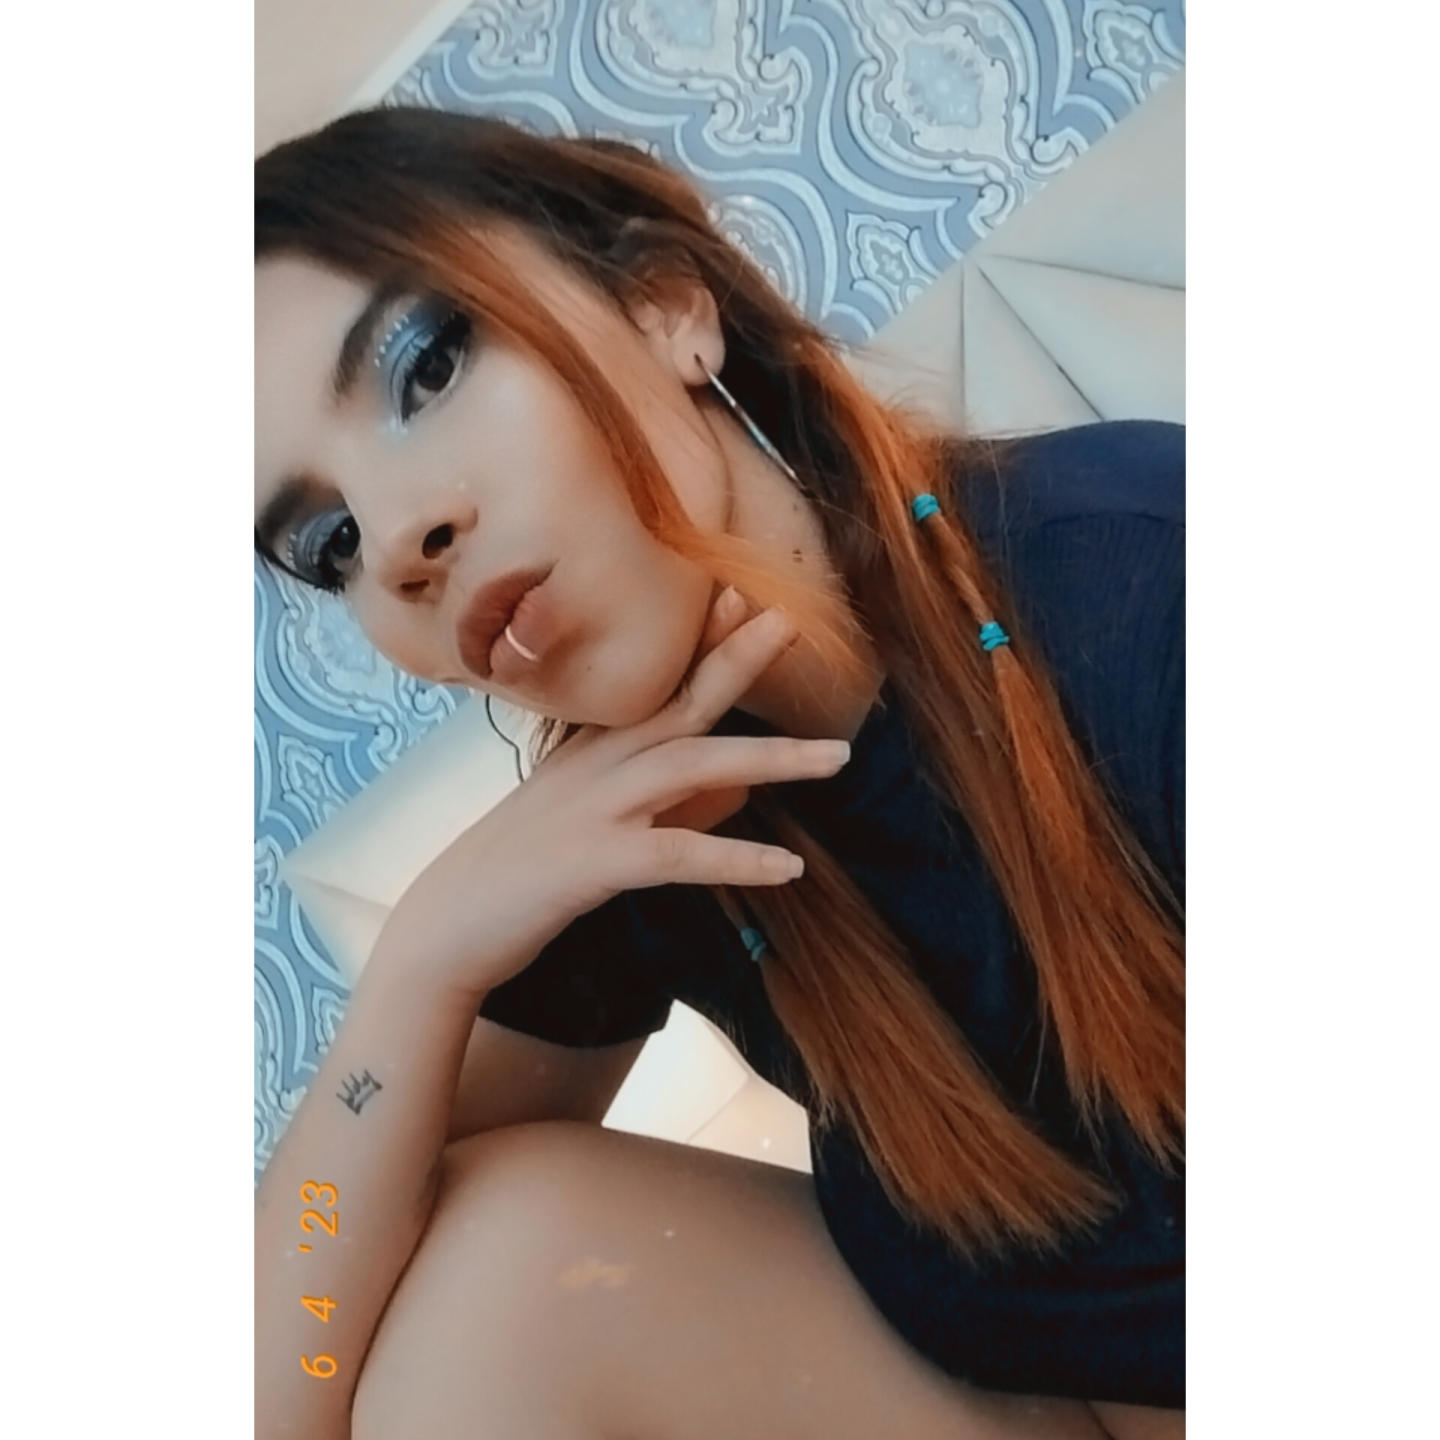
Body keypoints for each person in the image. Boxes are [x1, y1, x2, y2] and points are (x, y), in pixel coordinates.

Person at [254, 106, 1184, 1440]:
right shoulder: (642, 844)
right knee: (484, 1284)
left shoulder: (1144, 584)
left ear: (666, 308)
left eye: (429, 366)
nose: (398, 539)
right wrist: (418, 971)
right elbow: (282, 1386)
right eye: (329, 542)